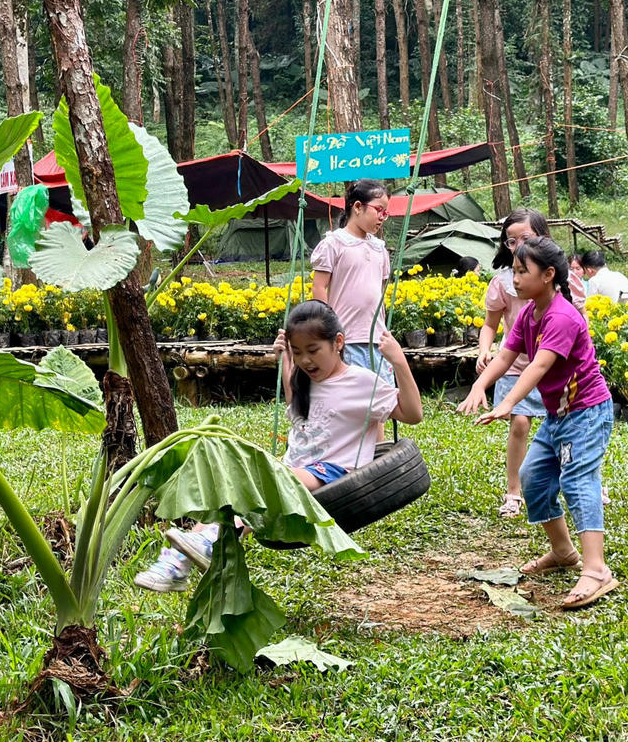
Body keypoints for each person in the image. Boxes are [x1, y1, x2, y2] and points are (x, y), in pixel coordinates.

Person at [134, 300, 423, 592]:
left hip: (333, 471)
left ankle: (204, 544)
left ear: (338, 343)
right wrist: (285, 359)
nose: (306, 360)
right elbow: (296, 406)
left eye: (313, 351)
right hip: (294, 467)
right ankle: (174, 564)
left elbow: (413, 414)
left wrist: (398, 360)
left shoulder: (361, 382)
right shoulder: (304, 380)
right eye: (299, 352)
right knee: (234, 486)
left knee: (262, 483)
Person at [458, 237, 618, 610]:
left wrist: (509, 403)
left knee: (578, 480)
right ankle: (563, 553)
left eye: (521, 271)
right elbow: (506, 355)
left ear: (548, 275)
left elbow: (539, 365)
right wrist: (480, 385)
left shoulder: (561, 316)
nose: (514, 278)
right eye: (513, 270)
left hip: (586, 412)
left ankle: (596, 569)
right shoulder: (530, 313)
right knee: (533, 478)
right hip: (558, 416)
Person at [477, 209, 553, 518]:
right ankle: (513, 492)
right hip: (514, 362)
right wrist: (484, 349)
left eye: (525, 238)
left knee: (566, 427)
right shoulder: (502, 283)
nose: (518, 245)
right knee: (519, 423)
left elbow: (578, 320)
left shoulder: (556, 277)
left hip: (553, 363)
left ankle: (584, 480)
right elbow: (490, 324)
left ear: (542, 237)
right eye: (511, 241)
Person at [311, 179, 394, 384]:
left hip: (378, 341)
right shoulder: (334, 243)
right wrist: (328, 332)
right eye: (379, 210)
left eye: (386, 212)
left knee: (382, 401)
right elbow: (319, 287)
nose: (383, 217)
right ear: (357, 207)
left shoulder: (380, 248)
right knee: (352, 400)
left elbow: (380, 293)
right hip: (346, 339)